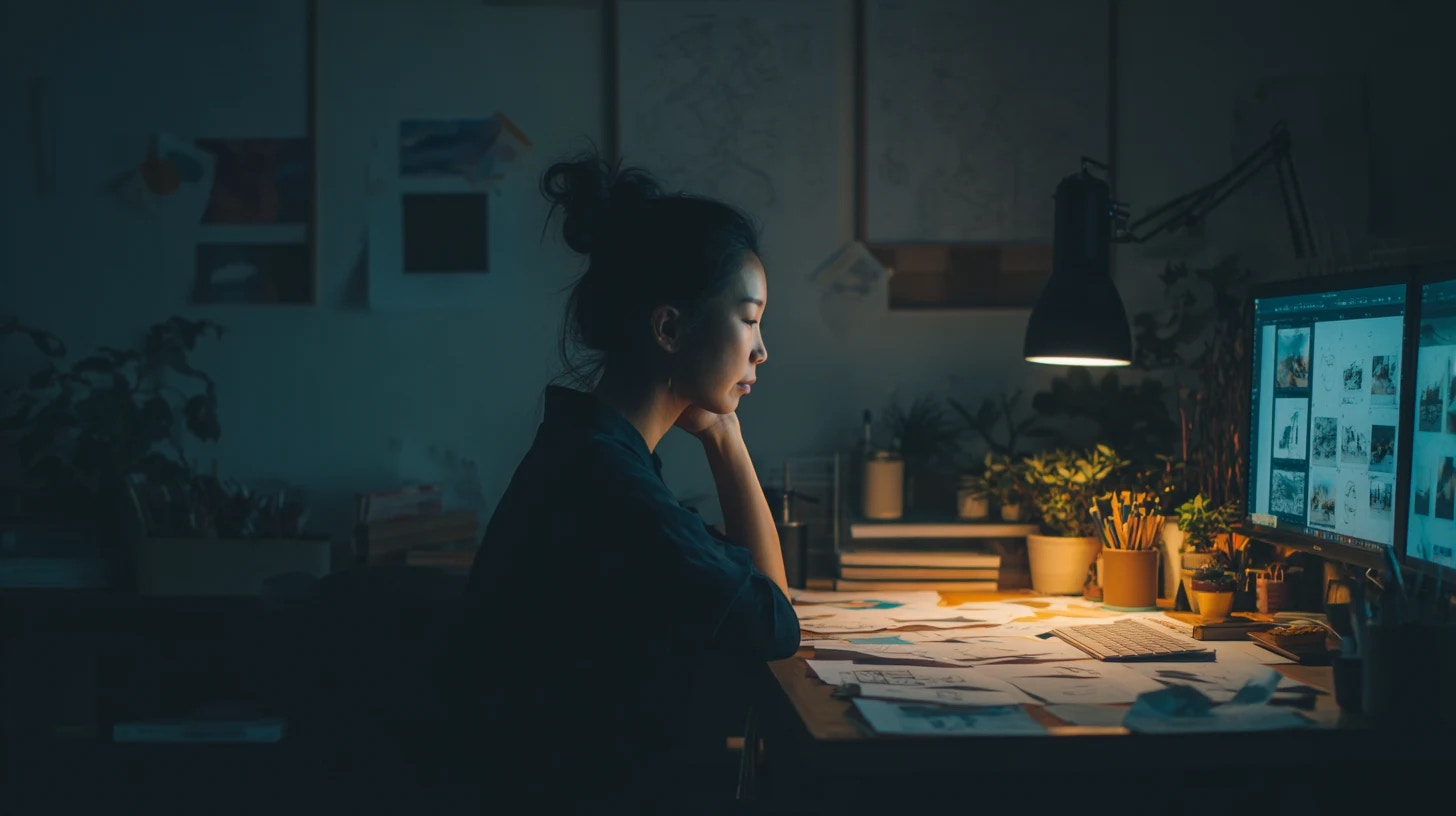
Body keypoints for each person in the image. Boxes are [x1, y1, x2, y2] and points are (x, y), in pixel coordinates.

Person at [445, 149, 799, 811]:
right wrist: (726, 440)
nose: (762, 349)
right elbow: (775, 624)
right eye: (749, 319)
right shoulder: (610, 483)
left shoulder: (593, 451)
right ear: (669, 327)